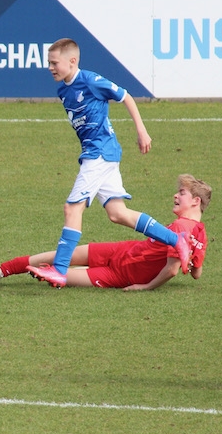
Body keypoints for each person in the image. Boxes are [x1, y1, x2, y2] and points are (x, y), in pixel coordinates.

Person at [26, 38, 191, 289]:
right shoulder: (63, 91)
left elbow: (126, 97)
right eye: (48, 62)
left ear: (72, 61)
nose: (50, 67)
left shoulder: (90, 80)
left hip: (99, 154)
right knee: (117, 214)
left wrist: (141, 131)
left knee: (72, 209)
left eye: (54, 63)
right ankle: (176, 240)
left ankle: (59, 270)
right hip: (101, 153)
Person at [0, 175, 210, 290]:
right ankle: (3, 270)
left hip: (122, 274)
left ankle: (2, 270)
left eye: (182, 193)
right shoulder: (200, 233)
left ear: (195, 201)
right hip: (121, 251)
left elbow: (172, 270)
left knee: (58, 266)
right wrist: (191, 261)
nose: (176, 195)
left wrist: (146, 287)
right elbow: (196, 273)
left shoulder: (181, 228)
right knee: (61, 264)